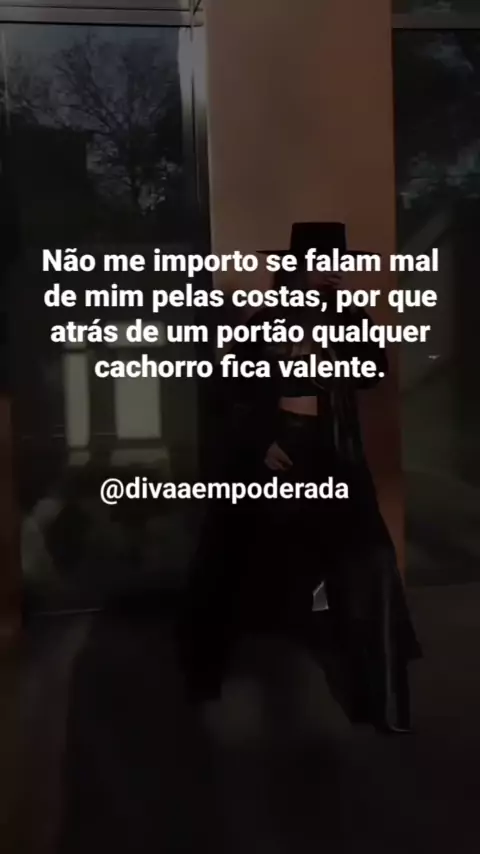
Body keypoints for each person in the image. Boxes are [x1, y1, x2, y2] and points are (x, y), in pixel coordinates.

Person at [178, 222, 422, 735]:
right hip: (280, 447)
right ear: (298, 267)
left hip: (334, 448)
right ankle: (202, 678)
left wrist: (343, 332)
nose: (334, 271)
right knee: (232, 557)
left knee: (369, 564)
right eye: (323, 263)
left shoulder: (349, 316)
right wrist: (260, 441)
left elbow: (373, 371)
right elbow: (229, 392)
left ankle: (385, 702)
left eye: (340, 263)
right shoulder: (266, 322)